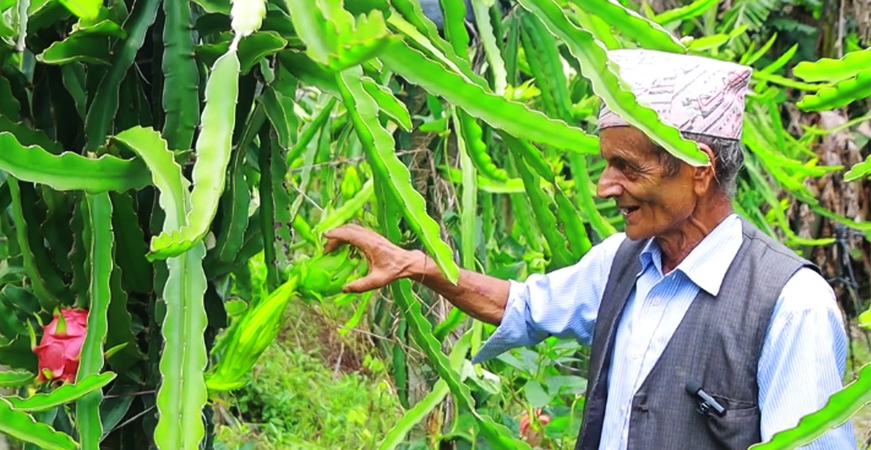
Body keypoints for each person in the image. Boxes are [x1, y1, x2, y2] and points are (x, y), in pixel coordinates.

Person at [323, 49, 857, 450]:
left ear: (699, 170)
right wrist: (418, 265)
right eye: (607, 164)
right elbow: (523, 305)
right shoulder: (624, 263)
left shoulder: (791, 306)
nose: (604, 185)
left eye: (628, 167)